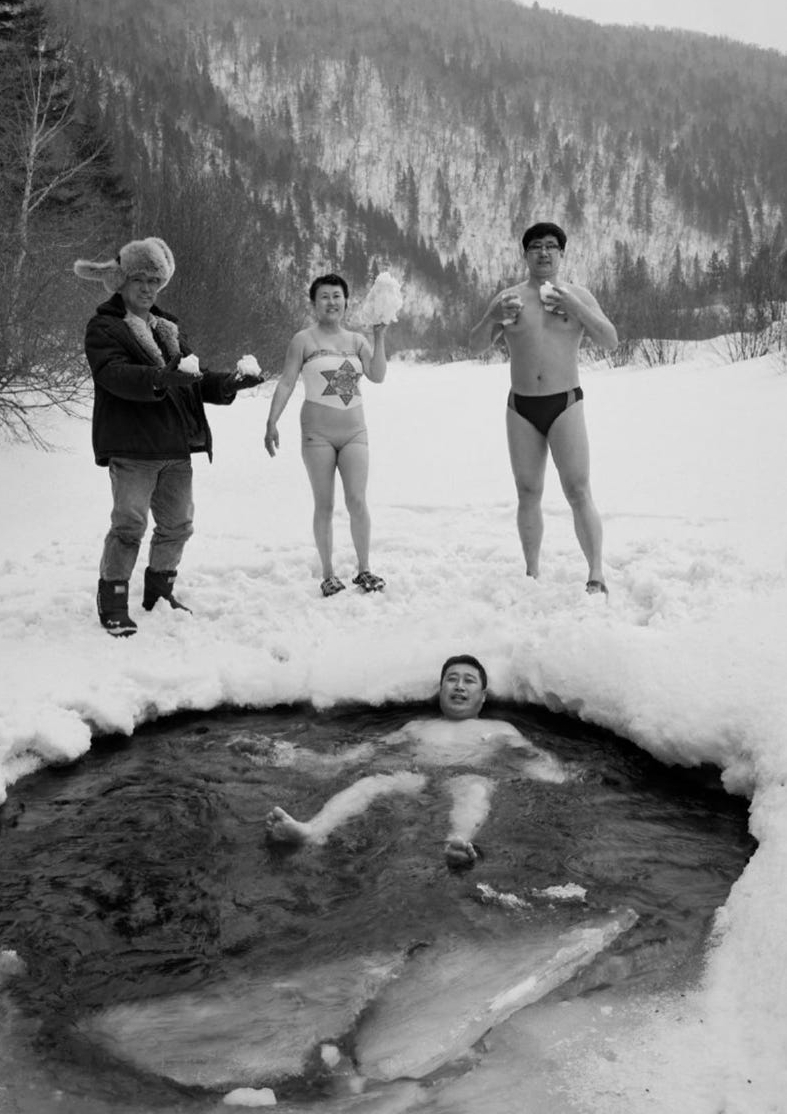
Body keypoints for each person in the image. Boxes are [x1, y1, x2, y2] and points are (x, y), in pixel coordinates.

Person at [74, 236, 263, 638]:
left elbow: (193, 378)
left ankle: (160, 594)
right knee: (129, 526)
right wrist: (161, 377)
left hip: (175, 448)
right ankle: (113, 602)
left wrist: (229, 383)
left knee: (178, 525)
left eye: (154, 281)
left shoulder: (166, 328)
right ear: (121, 281)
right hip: (132, 447)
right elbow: (113, 375)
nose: (147, 289)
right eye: (139, 280)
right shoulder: (104, 327)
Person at [265, 654, 565, 868]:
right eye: (452, 679)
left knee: (475, 787)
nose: (459, 686)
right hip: (417, 779)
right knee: (371, 782)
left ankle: (458, 843)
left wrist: (552, 772)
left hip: (465, 777)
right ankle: (313, 830)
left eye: (469, 681)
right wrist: (329, 760)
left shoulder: (499, 728)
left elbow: (530, 756)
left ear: (483, 695)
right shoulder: (417, 726)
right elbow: (372, 749)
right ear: (441, 689)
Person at [470, 222, 618, 595]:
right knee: (528, 491)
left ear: (562, 253)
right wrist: (491, 317)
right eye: (536, 246)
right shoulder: (510, 298)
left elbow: (610, 340)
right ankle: (532, 571)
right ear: (525, 254)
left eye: (551, 246)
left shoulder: (578, 295)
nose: (544, 252)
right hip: (521, 406)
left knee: (578, 489)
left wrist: (575, 307)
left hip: (564, 402)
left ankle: (596, 573)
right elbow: (474, 346)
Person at [263, 273, 388, 597]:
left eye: (337, 296)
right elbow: (287, 382)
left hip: (354, 432)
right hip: (317, 433)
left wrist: (379, 336)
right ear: (314, 303)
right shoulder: (303, 340)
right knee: (325, 503)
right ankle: (329, 573)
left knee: (357, 500)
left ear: (346, 301)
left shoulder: (357, 341)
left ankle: (364, 568)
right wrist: (272, 421)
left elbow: (377, 375)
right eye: (324, 297)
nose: (331, 302)